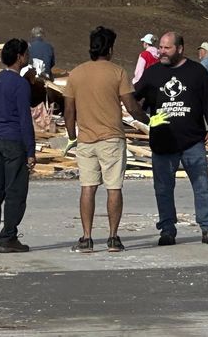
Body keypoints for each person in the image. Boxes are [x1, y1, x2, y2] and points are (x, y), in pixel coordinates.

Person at [134, 32, 208, 245]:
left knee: (202, 185)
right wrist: (142, 118)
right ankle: (167, 229)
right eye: (161, 48)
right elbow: (135, 98)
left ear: (180, 49)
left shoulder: (196, 72)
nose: (161, 52)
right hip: (163, 141)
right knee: (163, 188)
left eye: (167, 48)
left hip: (192, 140)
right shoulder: (153, 73)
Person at [63, 26, 147, 253]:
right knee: (113, 188)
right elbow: (131, 106)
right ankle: (113, 237)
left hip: (86, 139)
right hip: (111, 138)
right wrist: (149, 121)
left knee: (87, 188)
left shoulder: (76, 73)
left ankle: (87, 238)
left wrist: (72, 136)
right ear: (109, 48)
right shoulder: (117, 72)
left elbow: (68, 111)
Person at [0, 38, 35, 253]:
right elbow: (24, 119)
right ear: (20, 57)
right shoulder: (20, 84)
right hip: (14, 141)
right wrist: (30, 151)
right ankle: (9, 236)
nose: (27, 58)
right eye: (26, 54)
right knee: (15, 191)